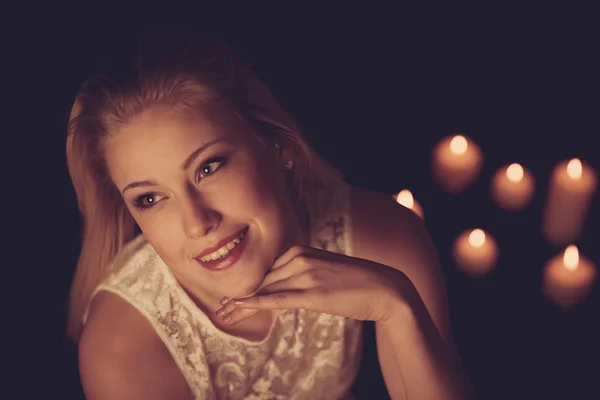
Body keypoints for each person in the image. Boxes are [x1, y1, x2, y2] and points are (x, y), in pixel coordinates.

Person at [66, 26, 476, 400]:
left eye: (209, 167)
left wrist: (397, 304)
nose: (197, 223)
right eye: (150, 199)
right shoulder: (122, 349)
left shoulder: (383, 233)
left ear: (275, 144)